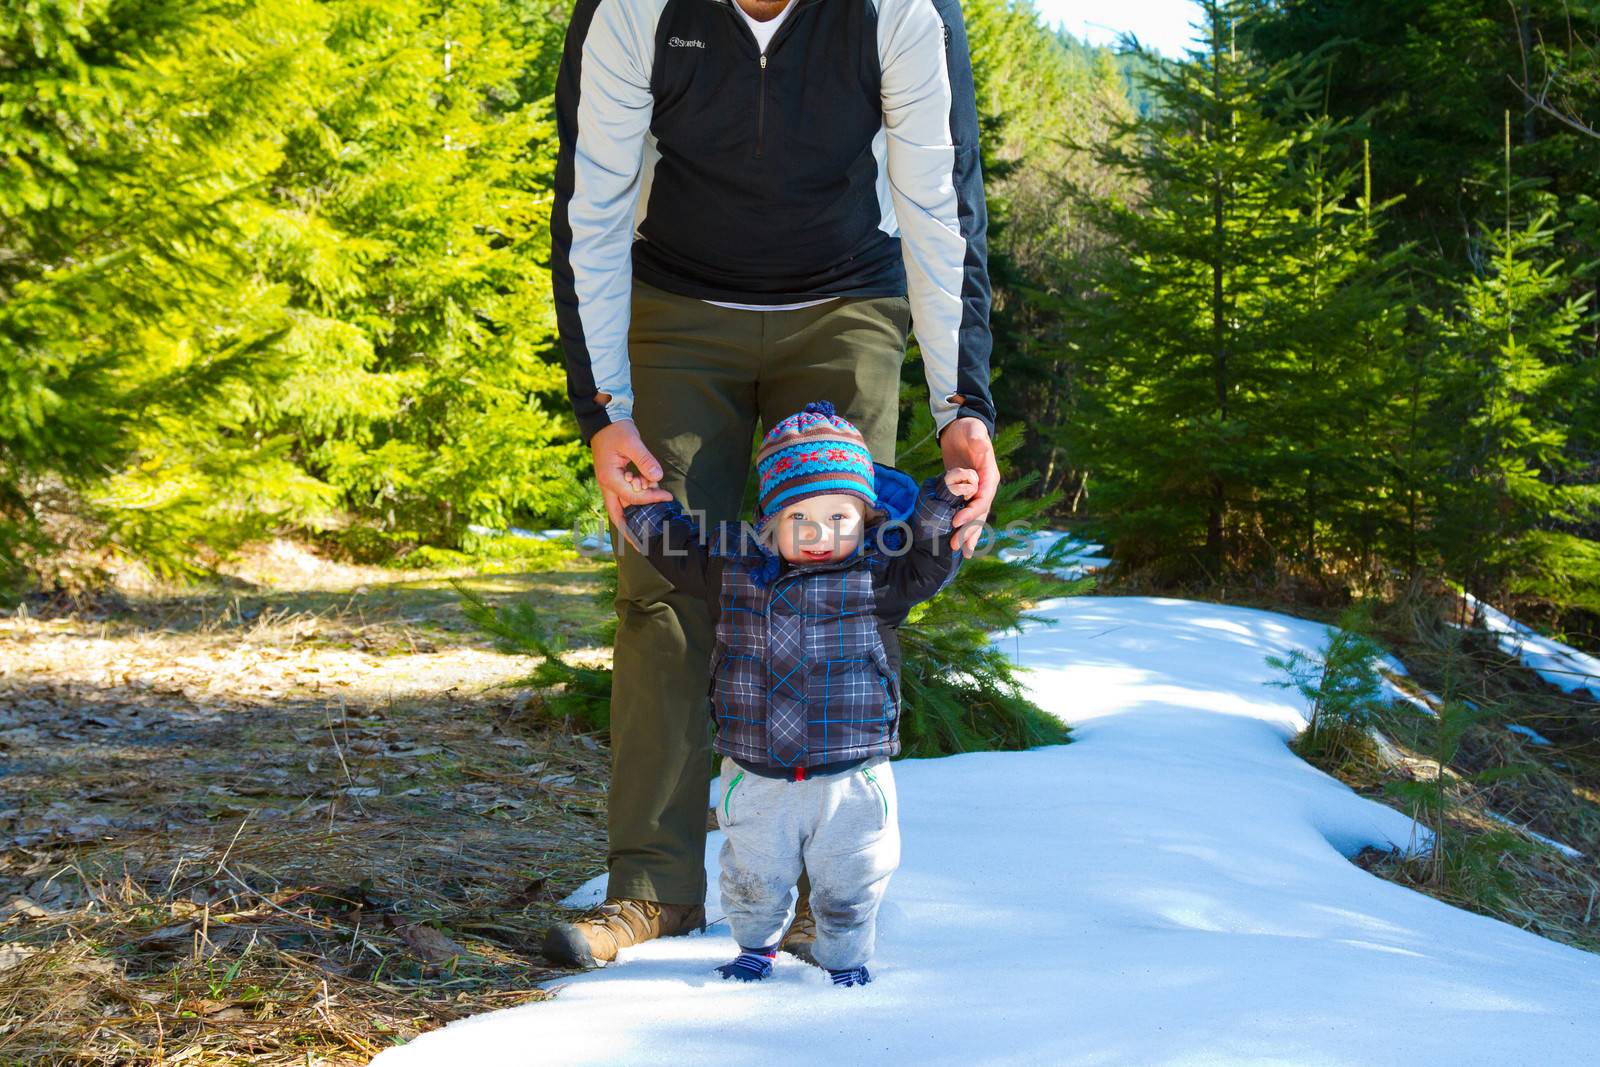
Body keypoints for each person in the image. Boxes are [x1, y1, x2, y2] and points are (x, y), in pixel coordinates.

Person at [541, 0, 1001, 968]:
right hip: (678, 297)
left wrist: (963, 401)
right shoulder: (632, 10)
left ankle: (821, 897)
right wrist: (604, 406)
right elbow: (594, 197)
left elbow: (935, 201)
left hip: (845, 293)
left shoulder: (901, 11)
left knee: (838, 583)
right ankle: (650, 889)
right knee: (658, 578)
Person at [610, 400, 974, 986]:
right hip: (756, 774)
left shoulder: (878, 577)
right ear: (770, 520)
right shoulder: (733, 569)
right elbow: (676, 547)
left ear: (866, 518)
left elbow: (931, 562)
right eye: (798, 518)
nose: (818, 535)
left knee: (852, 877)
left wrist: (943, 504)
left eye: (839, 518)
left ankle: (845, 958)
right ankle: (755, 946)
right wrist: (644, 507)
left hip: (851, 775)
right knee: (752, 873)